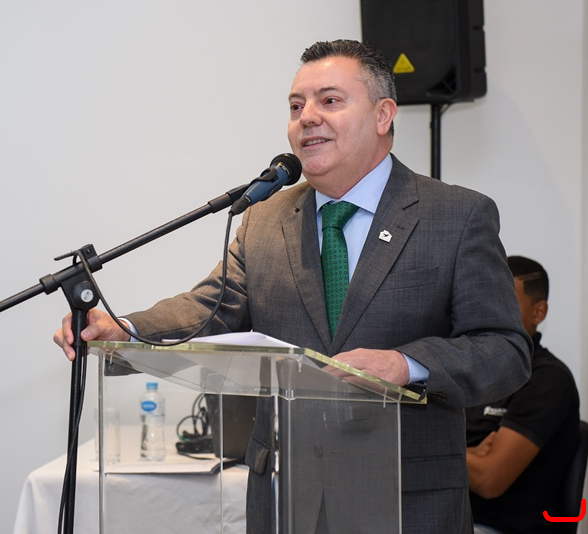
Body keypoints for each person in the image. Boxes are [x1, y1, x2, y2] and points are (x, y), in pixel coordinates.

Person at [54, 39, 531, 533]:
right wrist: (125, 328)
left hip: (405, 497)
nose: (308, 118)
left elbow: (504, 349)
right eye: (296, 106)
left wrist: (405, 364)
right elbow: (210, 307)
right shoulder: (266, 218)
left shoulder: (455, 215)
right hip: (286, 496)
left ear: (383, 114)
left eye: (330, 100)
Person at [467, 256, 580, 534]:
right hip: (455, 515)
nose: (490, 314)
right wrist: (469, 454)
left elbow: (489, 479)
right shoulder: (474, 370)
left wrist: (443, 451)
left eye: (506, 303)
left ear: (538, 312)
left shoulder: (548, 379)